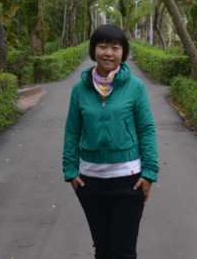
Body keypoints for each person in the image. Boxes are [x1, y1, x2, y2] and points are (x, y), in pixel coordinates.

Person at [63, 24, 159, 259]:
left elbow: (147, 130)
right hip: (90, 182)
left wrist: (149, 173)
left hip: (129, 181)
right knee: (103, 249)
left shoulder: (135, 86)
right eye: (102, 46)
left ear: (123, 52)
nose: (108, 52)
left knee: (124, 251)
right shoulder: (80, 89)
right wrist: (69, 170)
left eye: (115, 47)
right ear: (93, 49)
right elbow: (72, 131)